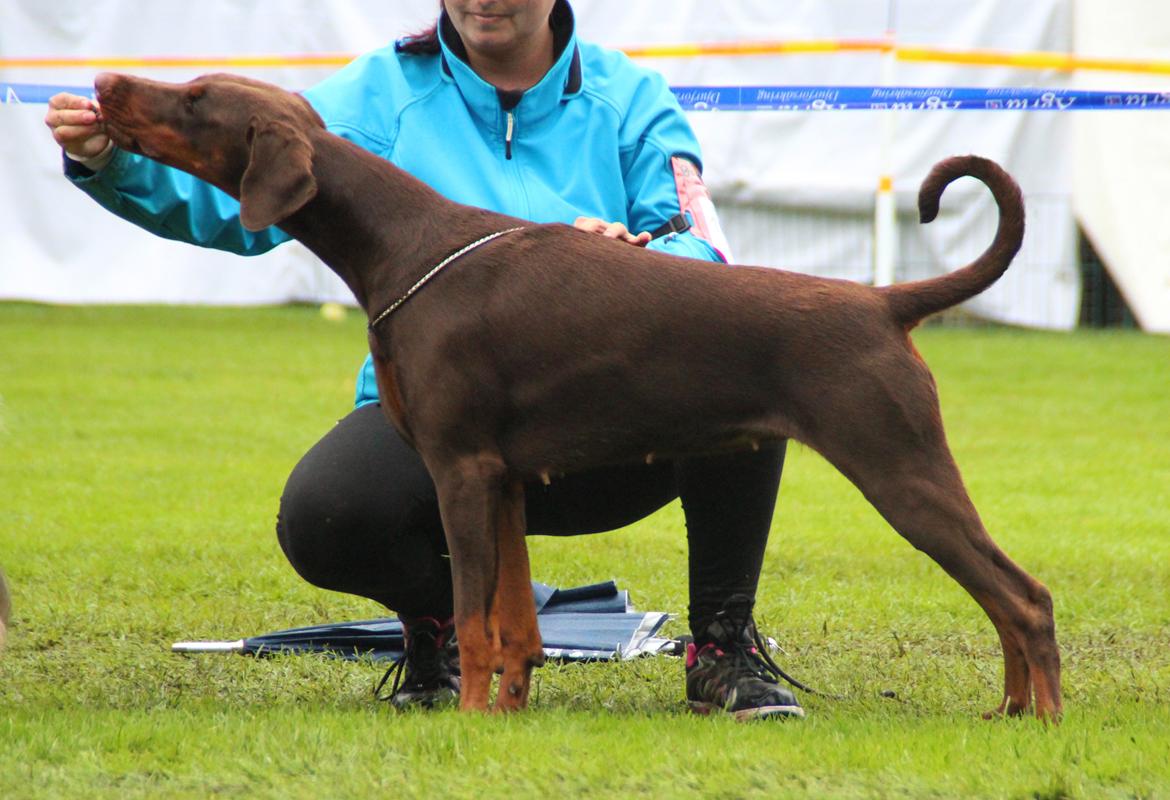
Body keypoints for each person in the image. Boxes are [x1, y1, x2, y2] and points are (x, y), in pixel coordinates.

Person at [45, 0, 802, 720]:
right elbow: (240, 202)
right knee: (327, 515)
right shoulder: (377, 93)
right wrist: (112, 161)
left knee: (742, 369)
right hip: (435, 424)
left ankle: (721, 644)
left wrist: (638, 263)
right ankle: (439, 624)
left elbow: (699, 242)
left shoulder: (628, 96)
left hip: (602, 420)